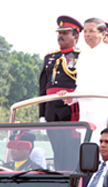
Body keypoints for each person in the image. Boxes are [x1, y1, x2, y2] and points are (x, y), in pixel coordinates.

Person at [61, 17, 108, 143]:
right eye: (85, 32)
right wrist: (71, 97)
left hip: (106, 115)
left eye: (91, 31)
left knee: (106, 154)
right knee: (87, 155)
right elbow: (81, 87)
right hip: (86, 115)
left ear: (103, 34)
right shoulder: (83, 55)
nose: (87, 35)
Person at [39, 15, 83, 171]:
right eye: (59, 33)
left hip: (69, 107)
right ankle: (60, 178)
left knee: (71, 149)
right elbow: (43, 87)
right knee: (57, 148)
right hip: (51, 107)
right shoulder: (50, 57)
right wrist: (42, 114)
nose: (61, 36)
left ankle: (73, 180)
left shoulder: (81, 56)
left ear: (75, 36)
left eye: (65, 33)